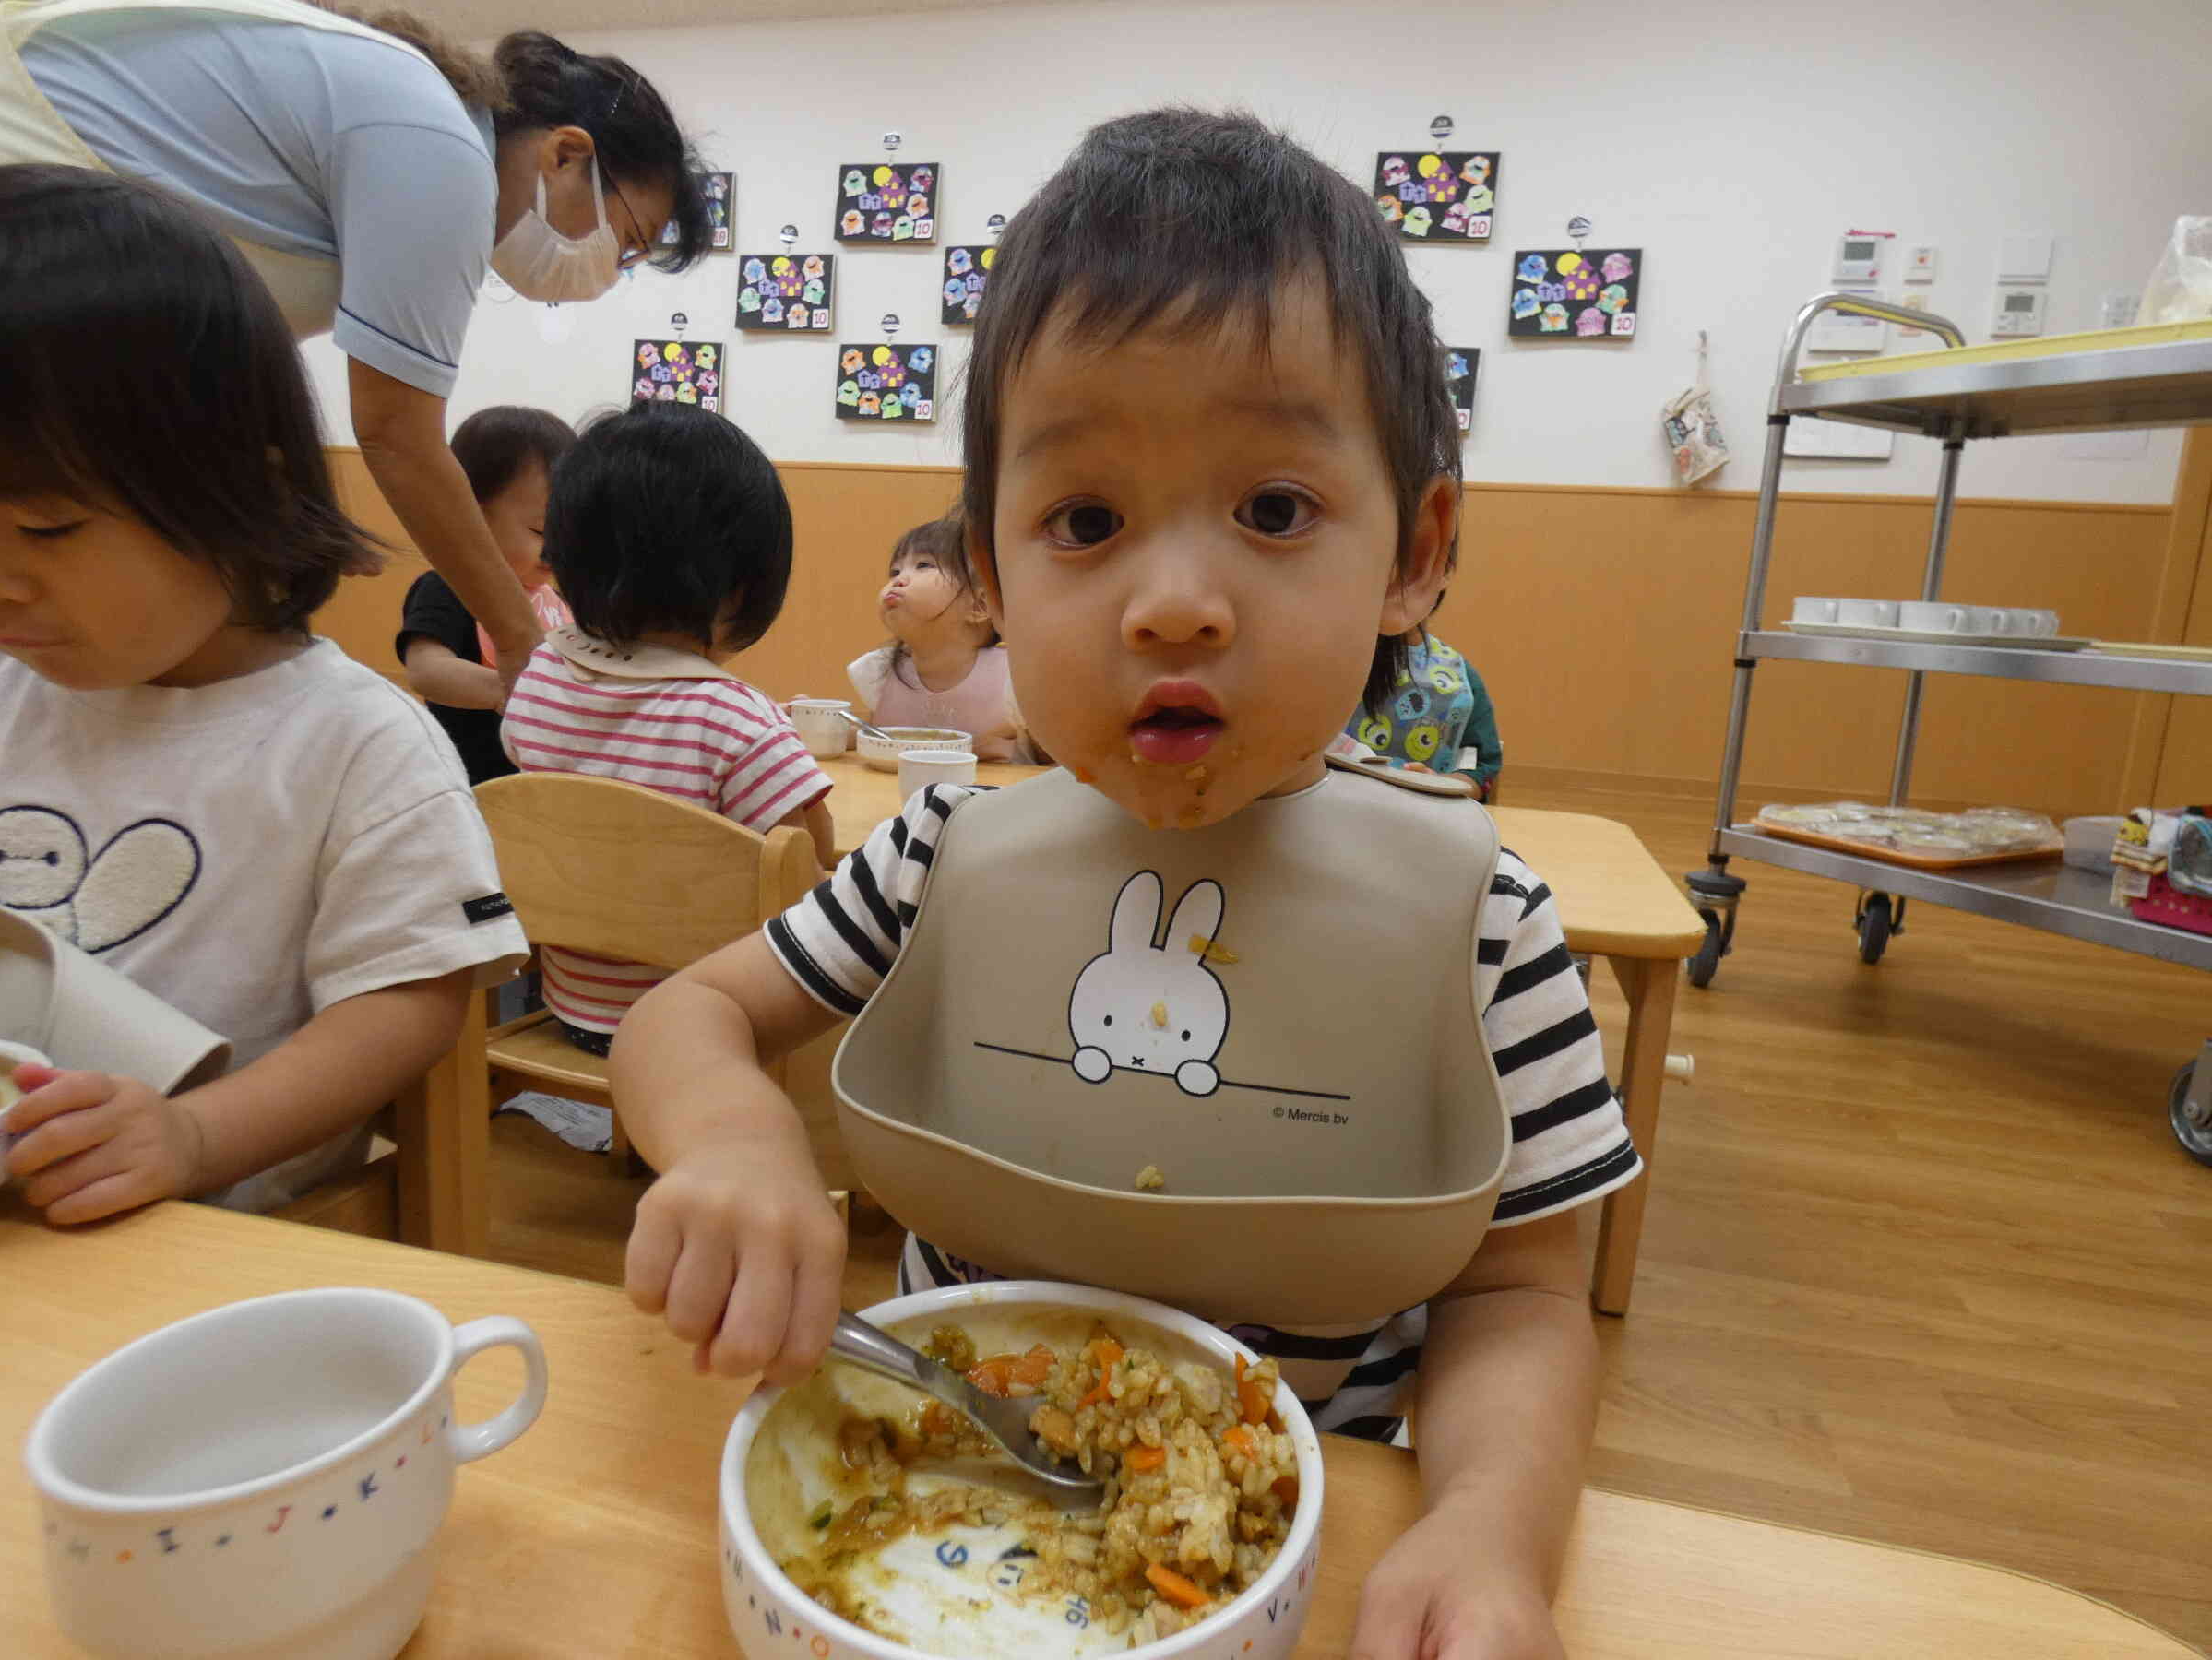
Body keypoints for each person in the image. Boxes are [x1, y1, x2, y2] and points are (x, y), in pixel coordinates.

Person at [608, 111, 1635, 1658]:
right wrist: (738, 1137)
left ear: (1415, 553)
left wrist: (1488, 1525)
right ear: (995, 576)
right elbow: (683, 1015)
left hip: (1285, 1558)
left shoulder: (1483, 925)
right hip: (931, 1517)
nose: (1172, 605)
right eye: (1086, 522)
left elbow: (1525, 1302)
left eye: (1274, 511)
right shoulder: (937, 856)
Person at [0, 166, 528, 1219]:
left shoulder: (354, 743)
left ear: (242, 484)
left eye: (47, 529)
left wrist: (195, 1134)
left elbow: (411, 999)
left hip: (206, 1241)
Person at [5, 2, 714, 691]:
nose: (605, 274)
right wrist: (524, 649)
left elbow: (198, 356)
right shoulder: (444, 150)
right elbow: (398, 436)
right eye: (626, 242)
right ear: (566, 154)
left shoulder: (411, 130)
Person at [501, 403, 836, 1057]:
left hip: (571, 1010)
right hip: (703, 1027)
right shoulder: (735, 718)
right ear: (739, 588)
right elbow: (806, 861)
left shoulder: (541, 675)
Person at [398, 405, 577, 785]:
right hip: (470, 782)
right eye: (541, 531)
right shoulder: (448, 585)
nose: (557, 548)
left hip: (541, 782)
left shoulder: (556, 599)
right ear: (471, 517)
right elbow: (425, 669)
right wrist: (503, 691)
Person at [846, 507, 1027, 761]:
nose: (898, 580)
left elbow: (1048, 762)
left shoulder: (1015, 680)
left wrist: (1012, 751)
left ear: (979, 606)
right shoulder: (879, 672)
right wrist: (820, 727)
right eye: (895, 572)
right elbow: (874, 736)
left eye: (923, 565)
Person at [1343, 621, 1504, 800]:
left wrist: (1437, 783)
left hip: (1422, 815)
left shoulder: (1461, 682)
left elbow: (1480, 770)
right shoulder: (1327, 660)